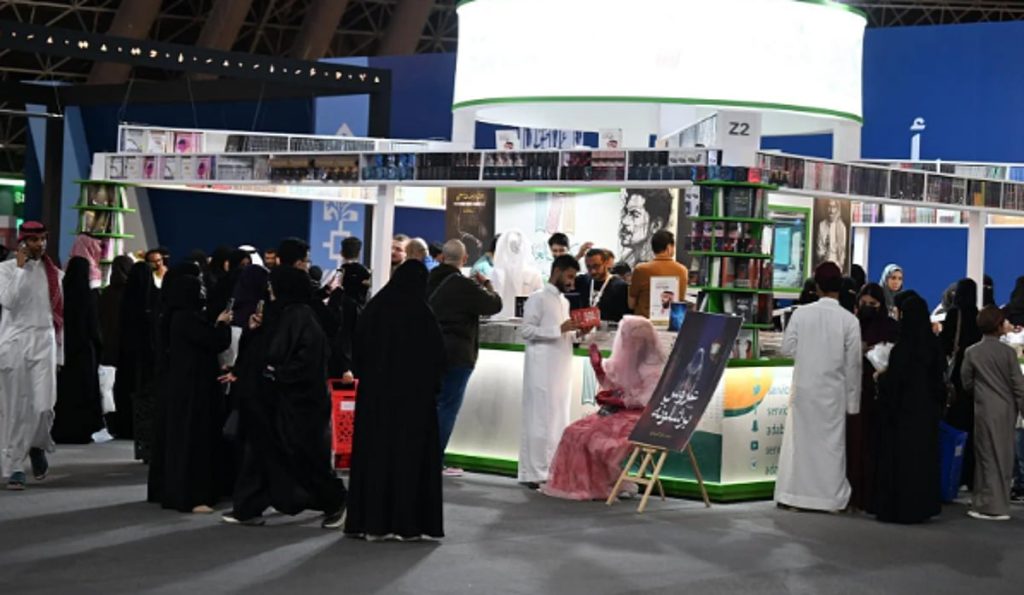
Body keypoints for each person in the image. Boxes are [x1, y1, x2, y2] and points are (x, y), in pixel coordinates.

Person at [224, 266, 348, 528]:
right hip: (279, 400)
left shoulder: (299, 315)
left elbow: (305, 360)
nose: (269, 289)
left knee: (301, 457)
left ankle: (335, 501)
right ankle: (249, 507)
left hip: (298, 403)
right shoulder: (284, 313)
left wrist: (276, 372)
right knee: (268, 453)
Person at [346, 259, 446, 541]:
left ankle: (370, 522)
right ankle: (407, 523)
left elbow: (359, 350)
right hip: (413, 403)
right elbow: (437, 357)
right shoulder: (422, 314)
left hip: (375, 400)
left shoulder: (375, 308)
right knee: (408, 461)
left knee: (375, 457)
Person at [542, 316, 666, 501]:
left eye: (631, 340)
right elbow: (610, 385)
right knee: (572, 432)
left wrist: (621, 401)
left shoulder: (653, 368)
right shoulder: (623, 361)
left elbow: (647, 400)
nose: (626, 344)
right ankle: (581, 483)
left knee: (594, 438)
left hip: (639, 418)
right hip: (615, 413)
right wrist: (598, 369)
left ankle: (605, 482)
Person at [775, 262, 862, 512]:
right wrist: (853, 404)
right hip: (833, 393)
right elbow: (853, 365)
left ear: (817, 286)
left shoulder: (801, 314)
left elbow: (787, 349)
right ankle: (830, 497)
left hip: (804, 389)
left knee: (800, 445)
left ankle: (793, 495)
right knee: (831, 446)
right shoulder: (849, 320)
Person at [148, 273, 233, 513]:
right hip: (193, 389)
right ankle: (192, 497)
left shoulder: (172, 316)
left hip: (181, 387)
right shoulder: (187, 318)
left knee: (181, 440)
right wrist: (222, 324)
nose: (202, 292)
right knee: (193, 440)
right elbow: (215, 341)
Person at [427, 240, 503, 476]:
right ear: (465, 258)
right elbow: (494, 304)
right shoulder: (463, 284)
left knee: (429, 407)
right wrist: (487, 283)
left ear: (441, 257)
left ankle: (420, 459)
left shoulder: (426, 280)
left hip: (429, 352)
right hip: (458, 353)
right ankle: (434, 462)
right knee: (447, 408)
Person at [0, 222, 63, 489]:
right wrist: (19, 269)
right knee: (15, 408)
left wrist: (59, 354)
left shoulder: (54, 274)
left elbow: (59, 318)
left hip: (44, 342)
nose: (40, 244)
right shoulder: (5, 270)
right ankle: (14, 466)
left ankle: (37, 444)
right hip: (14, 342)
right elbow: (9, 301)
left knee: (44, 406)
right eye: (34, 240)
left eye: (43, 239)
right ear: (23, 243)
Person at [873, 291, 945, 524]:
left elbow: (895, 382)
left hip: (903, 413)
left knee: (901, 461)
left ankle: (901, 507)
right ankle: (923, 506)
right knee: (923, 460)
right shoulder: (933, 345)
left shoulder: (902, 349)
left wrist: (880, 377)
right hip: (927, 411)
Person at [518, 255, 581, 489]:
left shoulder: (564, 301)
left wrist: (579, 332)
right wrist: (558, 329)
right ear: (557, 271)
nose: (571, 281)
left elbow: (564, 333)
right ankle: (533, 473)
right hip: (541, 369)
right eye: (569, 276)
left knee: (556, 420)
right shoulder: (538, 298)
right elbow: (526, 330)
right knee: (539, 421)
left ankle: (552, 470)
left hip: (560, 369)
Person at [961, 306, 1024, 521]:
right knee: (1004, 455)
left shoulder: (972, 352)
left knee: (986, 455)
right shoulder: (1009, 353)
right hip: (1007, 409)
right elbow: (1018, 385)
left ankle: (988, 505)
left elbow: (966, 381)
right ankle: (1000, 502)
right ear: (998, 325)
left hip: (984, 408)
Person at [846, 283, 899, 512]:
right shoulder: (852, 325)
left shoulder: (890, 327)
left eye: (873, 304)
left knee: (873, 444)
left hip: (878, 393)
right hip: (855, 391)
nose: (867, 307)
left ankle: (870, 495)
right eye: (864, 303)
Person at [51, 257, 104, 445]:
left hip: (62, 351)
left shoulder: (60, 295)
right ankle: (81, 431)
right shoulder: (88, 297)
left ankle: (60, 429)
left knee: (63, 392)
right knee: (83, 392)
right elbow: (93, 328)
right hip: (83, 353)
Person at [941, 278, 983, 488]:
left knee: (955, 425)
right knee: (972, 427)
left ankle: (954, 473)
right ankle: (970, 474)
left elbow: (945, 344)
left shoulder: (954, 314)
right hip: (977, 376)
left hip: (958, 373)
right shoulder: (978, 316)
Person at [100, 255, 134, 437]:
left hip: (110, 345)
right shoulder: (134, 292)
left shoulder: (107, 293)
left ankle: (116, 422)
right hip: (129, 347)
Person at [628, 230, 688, 319]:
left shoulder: (640, 269)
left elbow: (631, 304)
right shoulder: (682, 270)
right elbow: (680, 301)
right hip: (671, 323)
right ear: (669, 247)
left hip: (643, 322)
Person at [491, 230, 544, 319]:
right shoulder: (497, 272)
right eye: (512, 246)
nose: (515, 249)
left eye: (516, 246)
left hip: (516, 320)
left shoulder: (533, 273)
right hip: (504, 319)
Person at [572, 248, 630, 322]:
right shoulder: (583, 281)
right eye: (588, 267)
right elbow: (562, 276)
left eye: (596, 266)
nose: (593, 271)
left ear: (606, 263)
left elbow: (625, 316)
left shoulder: (620, 286)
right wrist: (577, 256)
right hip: (586, 327)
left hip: (611, 327)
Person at [618, 189, 673, 267]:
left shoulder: (660, 266)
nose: (624, 221)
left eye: (634, 215)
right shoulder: (626, 261)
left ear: (655, 225)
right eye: (626, 212)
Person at [816, 199, 848, 271]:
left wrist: (840, 265)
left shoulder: (842, 227)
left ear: (837, 209)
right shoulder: (822, 225)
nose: (831, 210)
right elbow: (819, 250)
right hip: (824, 263)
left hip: (837, 265)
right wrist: (824, 256)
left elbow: (842, 251)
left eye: (834, 207)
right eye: (829, 207)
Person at [339, 236, 371, 306]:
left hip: (342, 308)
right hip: (360, 309)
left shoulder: (340, 273)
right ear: (359, 253)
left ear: (341, 253)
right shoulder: (364, 272)